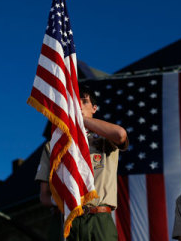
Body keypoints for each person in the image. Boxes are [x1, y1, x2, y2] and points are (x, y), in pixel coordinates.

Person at [35, 85, 129, 241]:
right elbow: (44, 196)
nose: (78, 104)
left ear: (94, 108)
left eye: (84, 101)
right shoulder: (54, 145)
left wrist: (80, 120)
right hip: (67, 219)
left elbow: (120, 135)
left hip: (98, 218)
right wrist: (65, 201)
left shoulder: (104, 139)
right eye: (73, 101)